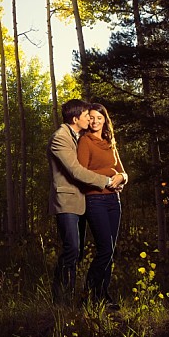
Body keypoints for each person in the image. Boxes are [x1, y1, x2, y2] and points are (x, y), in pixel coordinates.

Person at [48, 98, 119, 305]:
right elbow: (76, 170)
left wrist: (119, 176)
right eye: (87, 116)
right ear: (75, 118)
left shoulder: (77, 136)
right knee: (72, 249)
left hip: (80, 201)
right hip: (67, 201)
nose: (90, 119)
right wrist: (107, 180)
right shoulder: (60, 138)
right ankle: (61, 301)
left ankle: (75, 298)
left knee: (77, 252)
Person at [77, 103, 127, 309]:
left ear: (105, 120)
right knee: (105, 249)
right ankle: (89, 294)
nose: (96, 121)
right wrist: (109, 177)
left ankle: (102, 296)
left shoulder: (109, 142)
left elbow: (122, 171)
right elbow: (81, 173)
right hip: (95, 199)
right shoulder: (85, 141)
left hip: (113, 201)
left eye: (99, 117)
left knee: (111, 250)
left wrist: (122, 177)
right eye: (92, 117)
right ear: (88, 120)